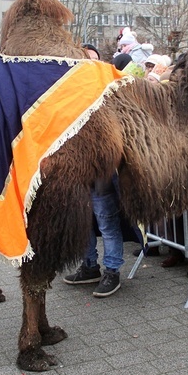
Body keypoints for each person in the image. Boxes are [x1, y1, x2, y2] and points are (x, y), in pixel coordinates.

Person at [62, 45, 125, 297]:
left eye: (94, 61)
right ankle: (90, 266)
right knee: (83, 224)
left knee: (107, 224)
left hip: (102, 174)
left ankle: (112, 271)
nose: (89, 65)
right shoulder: (65, 94)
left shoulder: (109, 92)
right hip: (76, 175)